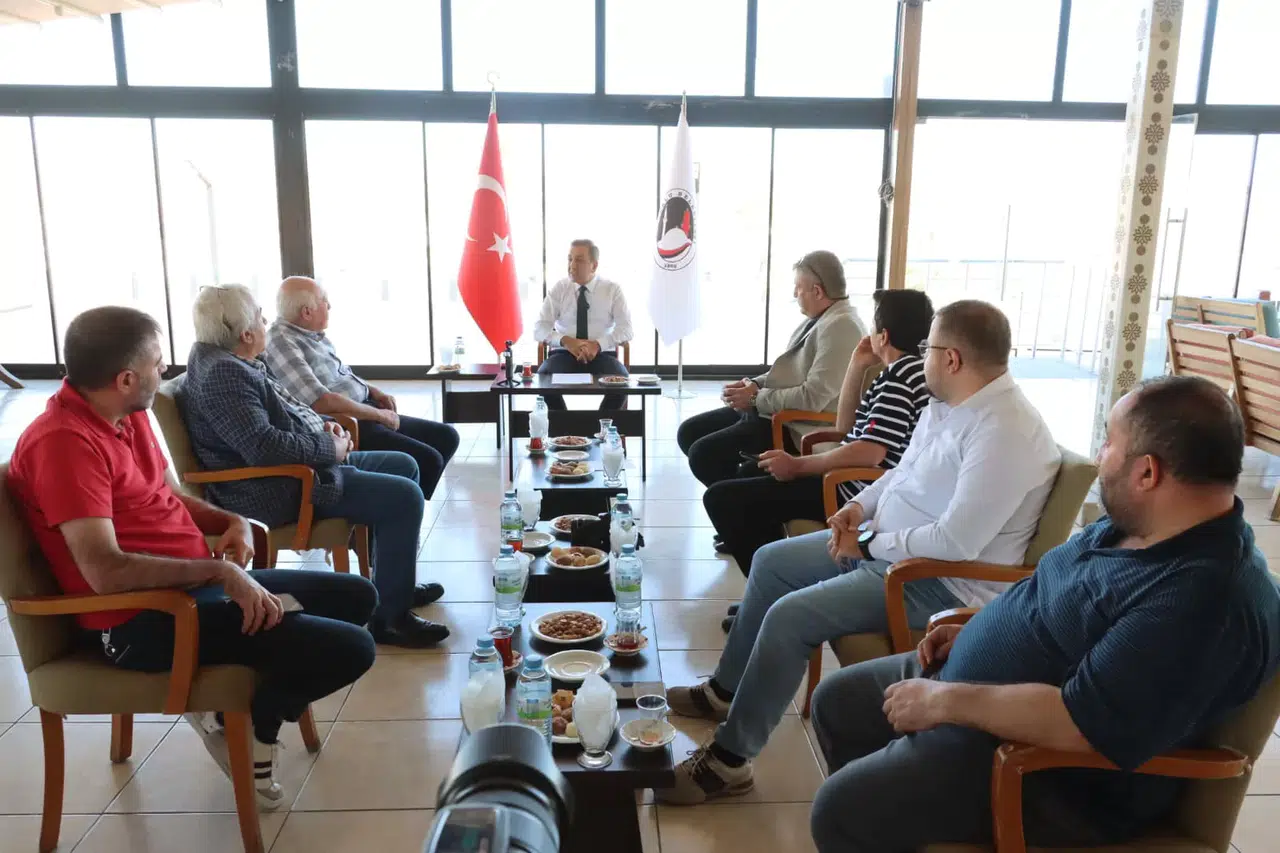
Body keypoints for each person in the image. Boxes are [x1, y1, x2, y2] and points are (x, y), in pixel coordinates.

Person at [808, 375, 1280, 852]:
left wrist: (944, 702)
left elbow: (1080, 724)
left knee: (842, 811)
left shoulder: (1203, 601)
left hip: (1043, 774)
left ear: (1147, 473)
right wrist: (976, 625)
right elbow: (1055, 596)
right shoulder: (1139, 524)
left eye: (1110, 443)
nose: (1100, 456)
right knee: (837, 704)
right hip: (976, 698)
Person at [658, 299, 1062, 805]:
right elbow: (900, 473)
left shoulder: (1005, 431)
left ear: (952, 358)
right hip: (886, 547)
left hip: (931, 580)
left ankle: (729, 762)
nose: (921, 356)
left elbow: (956, 543)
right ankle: (725, 690)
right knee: (772, 562)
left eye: (928, 348)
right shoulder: (952, 404)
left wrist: (868, 543)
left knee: (789, 616)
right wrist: (858, 509)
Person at [5, 306, 380, 810]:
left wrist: (230, 522)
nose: (167, 371)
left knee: (357, 597)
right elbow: (106, 571)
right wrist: (220, 571)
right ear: (125, 379)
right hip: (145, 620)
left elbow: (169, 497)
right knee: (353, 648)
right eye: (158, 363)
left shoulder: (126, 413)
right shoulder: (63, 445)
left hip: (193, 589)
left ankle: (238, 714)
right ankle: (254, 724)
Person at [179, 285, 449, 648]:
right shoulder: (224, 374)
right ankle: (390, 620)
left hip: (302, 466)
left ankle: (393, 585)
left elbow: (288, 411)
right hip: (277, 486)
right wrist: (329, 447)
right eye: (259, 316)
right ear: (245, 334)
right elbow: (264, 447)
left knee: (403, 465)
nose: (265, 321)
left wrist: (325, 426)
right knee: (404, 497)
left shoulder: (231, 358)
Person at [704, 289, 934, 591]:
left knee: (722, 499)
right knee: (750, 473)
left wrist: (798, 465)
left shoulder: (900, 380)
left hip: (852, 489)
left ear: (884, 335)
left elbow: (869, 453)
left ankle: (771, 588)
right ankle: (771, 585)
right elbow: (845, 427)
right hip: (850, 479)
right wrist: (857, 364)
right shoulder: (906, 370)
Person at [677, 250, 863, 488]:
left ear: (817, 291)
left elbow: (812, 397)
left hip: (796, 425)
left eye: (798, 287)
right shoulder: (823, 318)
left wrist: (755, 398)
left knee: (703, 454)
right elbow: (788, 371)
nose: (794, 294)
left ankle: (736, 497)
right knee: (689, 432)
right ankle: (736, 492)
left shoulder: (842, 327)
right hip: (775, 411)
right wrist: (753, 385)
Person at [264, 275, 460, 500]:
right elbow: (320, 401)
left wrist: (372, 389)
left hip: (364, 409)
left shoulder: (311, 334)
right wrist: (379, 415)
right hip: (348, 422)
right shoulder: (282, 342)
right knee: (428, 459)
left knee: (446, 436)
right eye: (324, 301)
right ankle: (404, 505)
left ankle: (404, 503)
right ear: (307, 312)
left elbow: (341, 375)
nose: (329, 306)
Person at [532, 239, 634, 411]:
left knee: (622, 382)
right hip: (564, 354)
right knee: (543, 379)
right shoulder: (559, 289)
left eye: (579, 260)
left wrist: (598, 345)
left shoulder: (611, 290)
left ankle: (601, 424)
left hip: (602, 355)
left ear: (594, 265)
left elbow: (627, 329)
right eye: (569, 259)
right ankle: (563, 425)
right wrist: (566, 341)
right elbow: (540, 328)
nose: (572, 265)